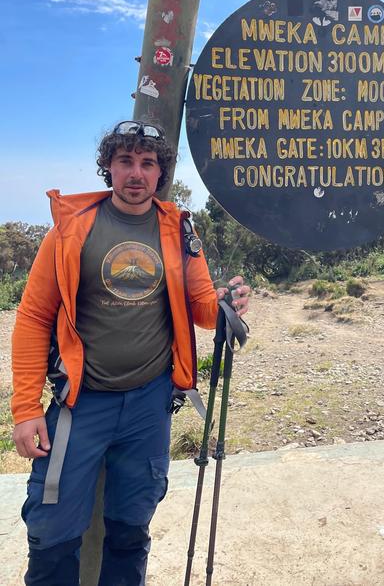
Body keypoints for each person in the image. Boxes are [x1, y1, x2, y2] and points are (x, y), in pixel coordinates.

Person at [11, 120, 250, 586]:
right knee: (52, 532)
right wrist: (24, 407)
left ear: (160, 173)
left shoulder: (178, 228)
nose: (136, 173)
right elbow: (34, 317)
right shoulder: (70, 230)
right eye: (125, 162)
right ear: (109, 168)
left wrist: (226, 302)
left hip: (149, 403)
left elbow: (200, 306)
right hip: (79, 405)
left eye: (147, 163)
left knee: (130, 526)